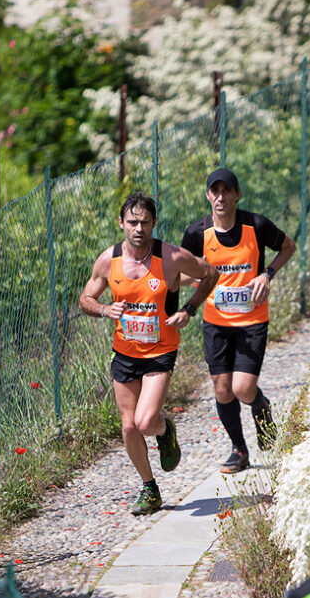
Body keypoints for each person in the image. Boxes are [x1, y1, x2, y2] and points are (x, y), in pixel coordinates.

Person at [78, 192, 219, 516]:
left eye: (144, 222)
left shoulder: (171, 257)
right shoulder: (107, 261)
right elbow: (85, 298)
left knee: (144, 422)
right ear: (121, 223)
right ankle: (150, 488)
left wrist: (189, 309)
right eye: (132, 222)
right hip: (125, 352)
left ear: (154, 224)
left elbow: (209, 273)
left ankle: (164, 428)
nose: (138, 228)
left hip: (160, 351)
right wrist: (102, 308)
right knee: (128, 427)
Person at [180, 167, 296, 473]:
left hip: (251, 320)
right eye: (214, 191)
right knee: (222, 389)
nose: (220, 197)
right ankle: (239, 451)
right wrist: (193, 279)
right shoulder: (196, 233)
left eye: (226, 191)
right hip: (216, 321)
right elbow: (180, 271)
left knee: (243, 389)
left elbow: (288, 246)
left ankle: (261, 406)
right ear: (208, 195)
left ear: (237, 194)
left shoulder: (256, 225)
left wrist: (267, 274)